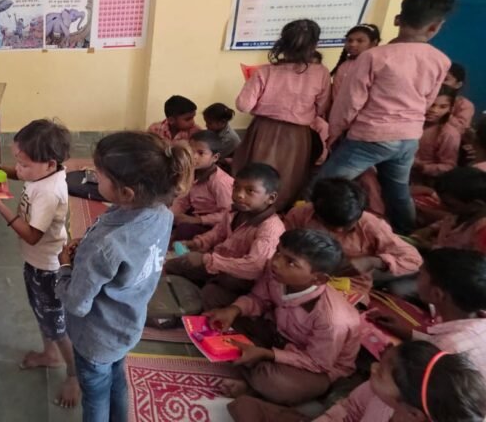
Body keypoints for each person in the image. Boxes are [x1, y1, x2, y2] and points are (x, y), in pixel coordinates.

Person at [56, 131, 192, 422]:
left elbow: (78, 303)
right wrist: (89, 249)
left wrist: (65, 267)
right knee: (116, 380)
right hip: (127, 326)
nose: (94, 177)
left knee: (95, 396)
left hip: (95, 337)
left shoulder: (106, 245)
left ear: (127, 193)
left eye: (99, 175)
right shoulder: (162, 214)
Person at [318, 0, 455, 235]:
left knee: (323, 186)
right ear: (435, 27)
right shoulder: (441, 60)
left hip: (371, 136)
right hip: (409, 136)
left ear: (397, 19)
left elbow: (350, 102)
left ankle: (301, 228)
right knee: (398, 191)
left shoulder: (374, 57)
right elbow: (428, 100)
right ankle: (406, 235)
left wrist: (334, 133)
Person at [0, 119, 80, 408]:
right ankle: (50, 354)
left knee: (57, 325)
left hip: (48, 269)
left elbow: (33, 236)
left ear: (49, 164)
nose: (18, 169)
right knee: (43, 314)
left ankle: (73, 374)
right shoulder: (47, 172)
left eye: (23, 164)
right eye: (17, 162)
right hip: (36, 264)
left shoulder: (48, 192)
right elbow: (23, 175)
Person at [205, 229, 361, 407]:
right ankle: (253, 368)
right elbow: (258, 299)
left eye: (291, 262)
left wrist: (268, 354)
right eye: (278, 252)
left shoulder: (333, 320)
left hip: (315, 366)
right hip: (278, 334)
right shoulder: (276, 274)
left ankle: (254, 383)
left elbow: (317, 363)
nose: (276, 262)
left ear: (318, 279)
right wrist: (233, 310)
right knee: (215, 297)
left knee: (275, 383)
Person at [228, 340, 486, 422]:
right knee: (244, 406)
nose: (372, 367)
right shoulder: (380, 394)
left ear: (413, 413)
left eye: (381, 372)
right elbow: (350, 408)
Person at [236, 19, 330, 211]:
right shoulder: (321, 73)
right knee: (289, 176)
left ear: (282, 43)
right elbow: (322, 107)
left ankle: (251, 210)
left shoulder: (266, 71)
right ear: (314, 45)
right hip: (297, 136)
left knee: (257, 176)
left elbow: (243, 105)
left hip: (263, 131)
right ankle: (279, 213)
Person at [166, 163, 285, 310]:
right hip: (219, 265)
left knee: (207, 296)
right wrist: (196, 243)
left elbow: (254, 267)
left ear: (271, 198)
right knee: (174, 266)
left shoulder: (270, 228)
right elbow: (218, 233)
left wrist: (207, 259)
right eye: (236, 187)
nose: (239, 195)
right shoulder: (235, 211)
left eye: (250, 191)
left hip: (241, 282)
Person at [284, 178, 422, 302]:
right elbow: (282, 249)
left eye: (347, 226)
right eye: (331, 225)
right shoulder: (300, 215)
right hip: (302, 277)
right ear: (316, 213)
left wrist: (373, 261)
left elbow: (413, 259)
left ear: (359, 213)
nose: (339, 231)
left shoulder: (371, 225)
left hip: (351, 285)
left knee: (334, 315)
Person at [370, 248, 486, 373]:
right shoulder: (476, 323)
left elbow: (414, 379)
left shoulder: (443, 351)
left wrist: (390, 358)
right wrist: (408, 333)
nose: (416, 279)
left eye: (420, 274)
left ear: (437, 294)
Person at [170, 130, 234, 241]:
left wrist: (198, 220)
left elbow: (228, 214)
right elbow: (183, 200)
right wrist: (171, 216)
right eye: (191, 151)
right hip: (196, 214)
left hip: (214, 225)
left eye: (200, 153)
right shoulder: (192, 173)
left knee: (183, 230)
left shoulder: (220, 182)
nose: (193, 156)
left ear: (215, 157)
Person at [410, 167, 486, 251]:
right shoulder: (460, 214)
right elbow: (446, 221)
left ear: (475, 205)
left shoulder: (482, 230)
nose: (441, 206)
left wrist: (430, 247)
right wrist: (429, 229)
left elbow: (474, 258)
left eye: (449, 204)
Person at [411, 85, 461, 186]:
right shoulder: (410, 122)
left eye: (443, 107)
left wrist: (422, 167)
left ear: (450, 109)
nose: (434, 110)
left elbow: (449, 167)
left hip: (424, 181)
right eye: (431, 104)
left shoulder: (448, 134)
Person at [329, 23, 381, 105]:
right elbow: (337, 95)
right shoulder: (344, 66)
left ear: (373, 43)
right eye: (350, 40)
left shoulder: (378, 65)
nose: (353, 44)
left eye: (360, 41)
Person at [444, 63, 475, 131]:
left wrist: (443, 113)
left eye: (445, 79)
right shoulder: (426, 98)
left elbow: (461, 128)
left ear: (458, 84)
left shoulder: (465, 105)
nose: (440, 82)